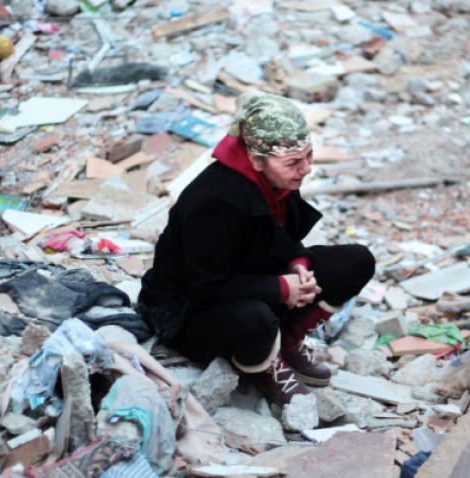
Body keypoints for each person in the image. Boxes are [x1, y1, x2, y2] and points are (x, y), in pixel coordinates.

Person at [138, 93, 375, 405]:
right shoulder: (216, 202)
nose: (306, 169)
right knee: (256, 319)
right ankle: (263, 363)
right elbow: (204, 288)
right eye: (293, 162)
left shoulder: (276, 179)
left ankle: (286, 340)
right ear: (255, 160)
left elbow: (282, 240)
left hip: (248, 279)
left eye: (309, 157)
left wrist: (298, 265)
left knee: (356, 261)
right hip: (187, 311)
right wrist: (279, 288)